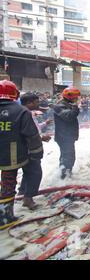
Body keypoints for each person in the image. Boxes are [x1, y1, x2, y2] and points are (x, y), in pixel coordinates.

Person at [0, 81, 43, 229]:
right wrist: (37, 153)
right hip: (13, 155)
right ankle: (5, 218)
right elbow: (31, 136)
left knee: (6, 184)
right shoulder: (20, 111)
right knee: (8, 184)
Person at [18, 93, 52, 210]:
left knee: (28, 172)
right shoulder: (25, 114)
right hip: (30, 149)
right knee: (35, 173)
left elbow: (35, 128)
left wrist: (44, 124)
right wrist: (41, 138)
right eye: (36, 102)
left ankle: (22, 192)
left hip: (24, 149)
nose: (38, 104)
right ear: (29, 103)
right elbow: (28, 134)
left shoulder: (25, 113)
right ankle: (28, 198)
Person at [53, 87, 81, 179]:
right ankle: (64, 176)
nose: (77, 99)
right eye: (76, 97)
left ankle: (66, 173)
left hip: (67, 136)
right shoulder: (59, 106)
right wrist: (75, 107)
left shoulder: (67, 104)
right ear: (70, 97)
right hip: (64, 136)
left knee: (67, 155)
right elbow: (69, 116)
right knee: (68, 156)